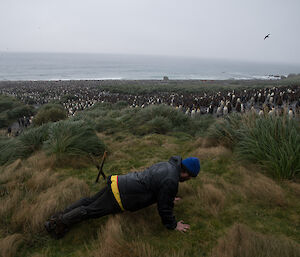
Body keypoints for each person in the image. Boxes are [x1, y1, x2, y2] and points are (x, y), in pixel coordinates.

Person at [45, 156, 200, 239]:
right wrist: (173, 225)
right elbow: (164, 208)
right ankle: (57, 224)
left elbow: (155, 183)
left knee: (89, 201)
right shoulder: (171, 180)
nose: (188, 180)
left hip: (118, 181)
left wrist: (167, 197)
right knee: (90, 211)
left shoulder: (167, 165)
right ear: (186, 173)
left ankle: (61, 214)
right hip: (121, 195)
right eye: (190, 177)